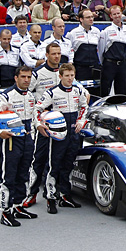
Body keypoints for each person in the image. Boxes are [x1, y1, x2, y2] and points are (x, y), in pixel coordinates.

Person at [0, 65, 38, 227]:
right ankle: (5, 212)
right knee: (9, 176)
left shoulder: (31, 97)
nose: (26, 80)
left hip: (27, 140)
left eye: (29, 77)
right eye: (23, 77)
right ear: (16, 78)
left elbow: (33, 119)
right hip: (11, 142)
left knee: (24, 174)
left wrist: (33, 136)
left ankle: (18, 206)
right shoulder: (6, 96)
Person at [36, 63, 88, 214]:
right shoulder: (52, 93)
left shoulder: (78, 90)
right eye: (67, 76)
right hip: (58, 135)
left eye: (72, 75)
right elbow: (37, 109)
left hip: (73, 134)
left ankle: (65, 196)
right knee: (53, 166)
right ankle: (50, 198)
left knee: (68, 165)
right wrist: (41, 124)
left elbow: (84, 107)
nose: (70, 78)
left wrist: (81, 121)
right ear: (60, 76)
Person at [22, 42, 63, 208]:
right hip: (42, 123)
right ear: (46, 55)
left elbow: (74, 86)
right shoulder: (37, 74)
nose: (56, 56)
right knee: (38, 160)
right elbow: (27, 94)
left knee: (54, 162)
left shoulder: (63, 72)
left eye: (59, 53)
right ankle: (31, 194)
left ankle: (51, 196)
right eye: (53, 53)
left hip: (60, 123)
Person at [97, 5, 126, 96]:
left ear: (122, 14)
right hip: (109, 64)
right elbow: (101, 49)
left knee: (121, 90)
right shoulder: (106, 31)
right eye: (114, 14)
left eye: (118, 13)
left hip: (122, 64)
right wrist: (104, 62)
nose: (117, 16)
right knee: (105, 89)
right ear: (111, 16)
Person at [66, 10, 101, 85]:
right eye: (88, 17)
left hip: (94, 67)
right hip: (80, 68)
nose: (91, 19)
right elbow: (69, 50)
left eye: (92, 17)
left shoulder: (97, 31)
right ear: (81, 19)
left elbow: (100, 48)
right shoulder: (73, 33)